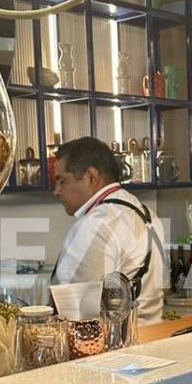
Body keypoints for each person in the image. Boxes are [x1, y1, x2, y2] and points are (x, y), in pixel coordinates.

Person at [51, 137, 166, 324]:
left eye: (62, 181)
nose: (56, 191)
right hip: (152, 333)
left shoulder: (95, 224)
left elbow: (74, 312)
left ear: (91, 177)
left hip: (114, 340)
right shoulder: (147, 214)